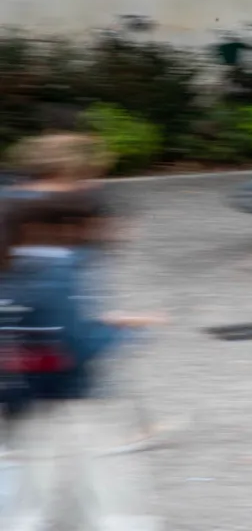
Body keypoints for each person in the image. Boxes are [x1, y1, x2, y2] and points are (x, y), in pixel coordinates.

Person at [0, 132, 163, 530]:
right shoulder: (49, 237)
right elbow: (67, 332)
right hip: (54, 372)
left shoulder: (20, 214)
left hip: (25, 366)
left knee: (26, 463)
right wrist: (117, 332)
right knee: (92, 463)